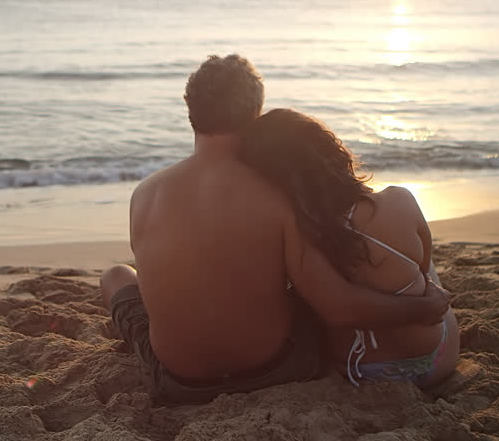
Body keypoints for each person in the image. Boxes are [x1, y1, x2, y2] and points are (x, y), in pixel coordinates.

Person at [100, 55, 451, 405]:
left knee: (116, 276)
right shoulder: (277, 193)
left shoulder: (145, 194)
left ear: (190, 109)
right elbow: (337, 306)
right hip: (275, 371)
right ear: (256, 111)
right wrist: (423, 309)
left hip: (180, 383)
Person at [240, 108, 460, 387]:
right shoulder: (399, 199)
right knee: (426, 271)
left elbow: (333, 308)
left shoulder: (300, 233)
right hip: (431, 364)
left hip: (357, 370)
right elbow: (423, 265)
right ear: (331, 149)